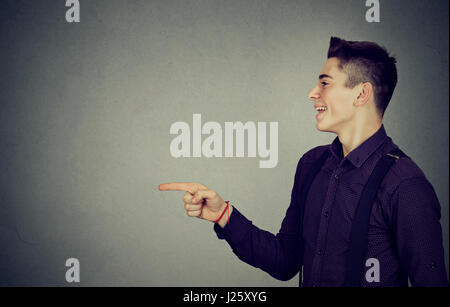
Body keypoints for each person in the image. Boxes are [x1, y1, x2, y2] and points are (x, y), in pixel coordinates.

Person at [158, 37, 448, 287]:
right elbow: (285, 261)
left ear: (362, 93)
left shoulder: (405, 184)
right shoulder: (311, 165)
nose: (312, 93)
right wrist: (223, 215)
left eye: (324, 83)